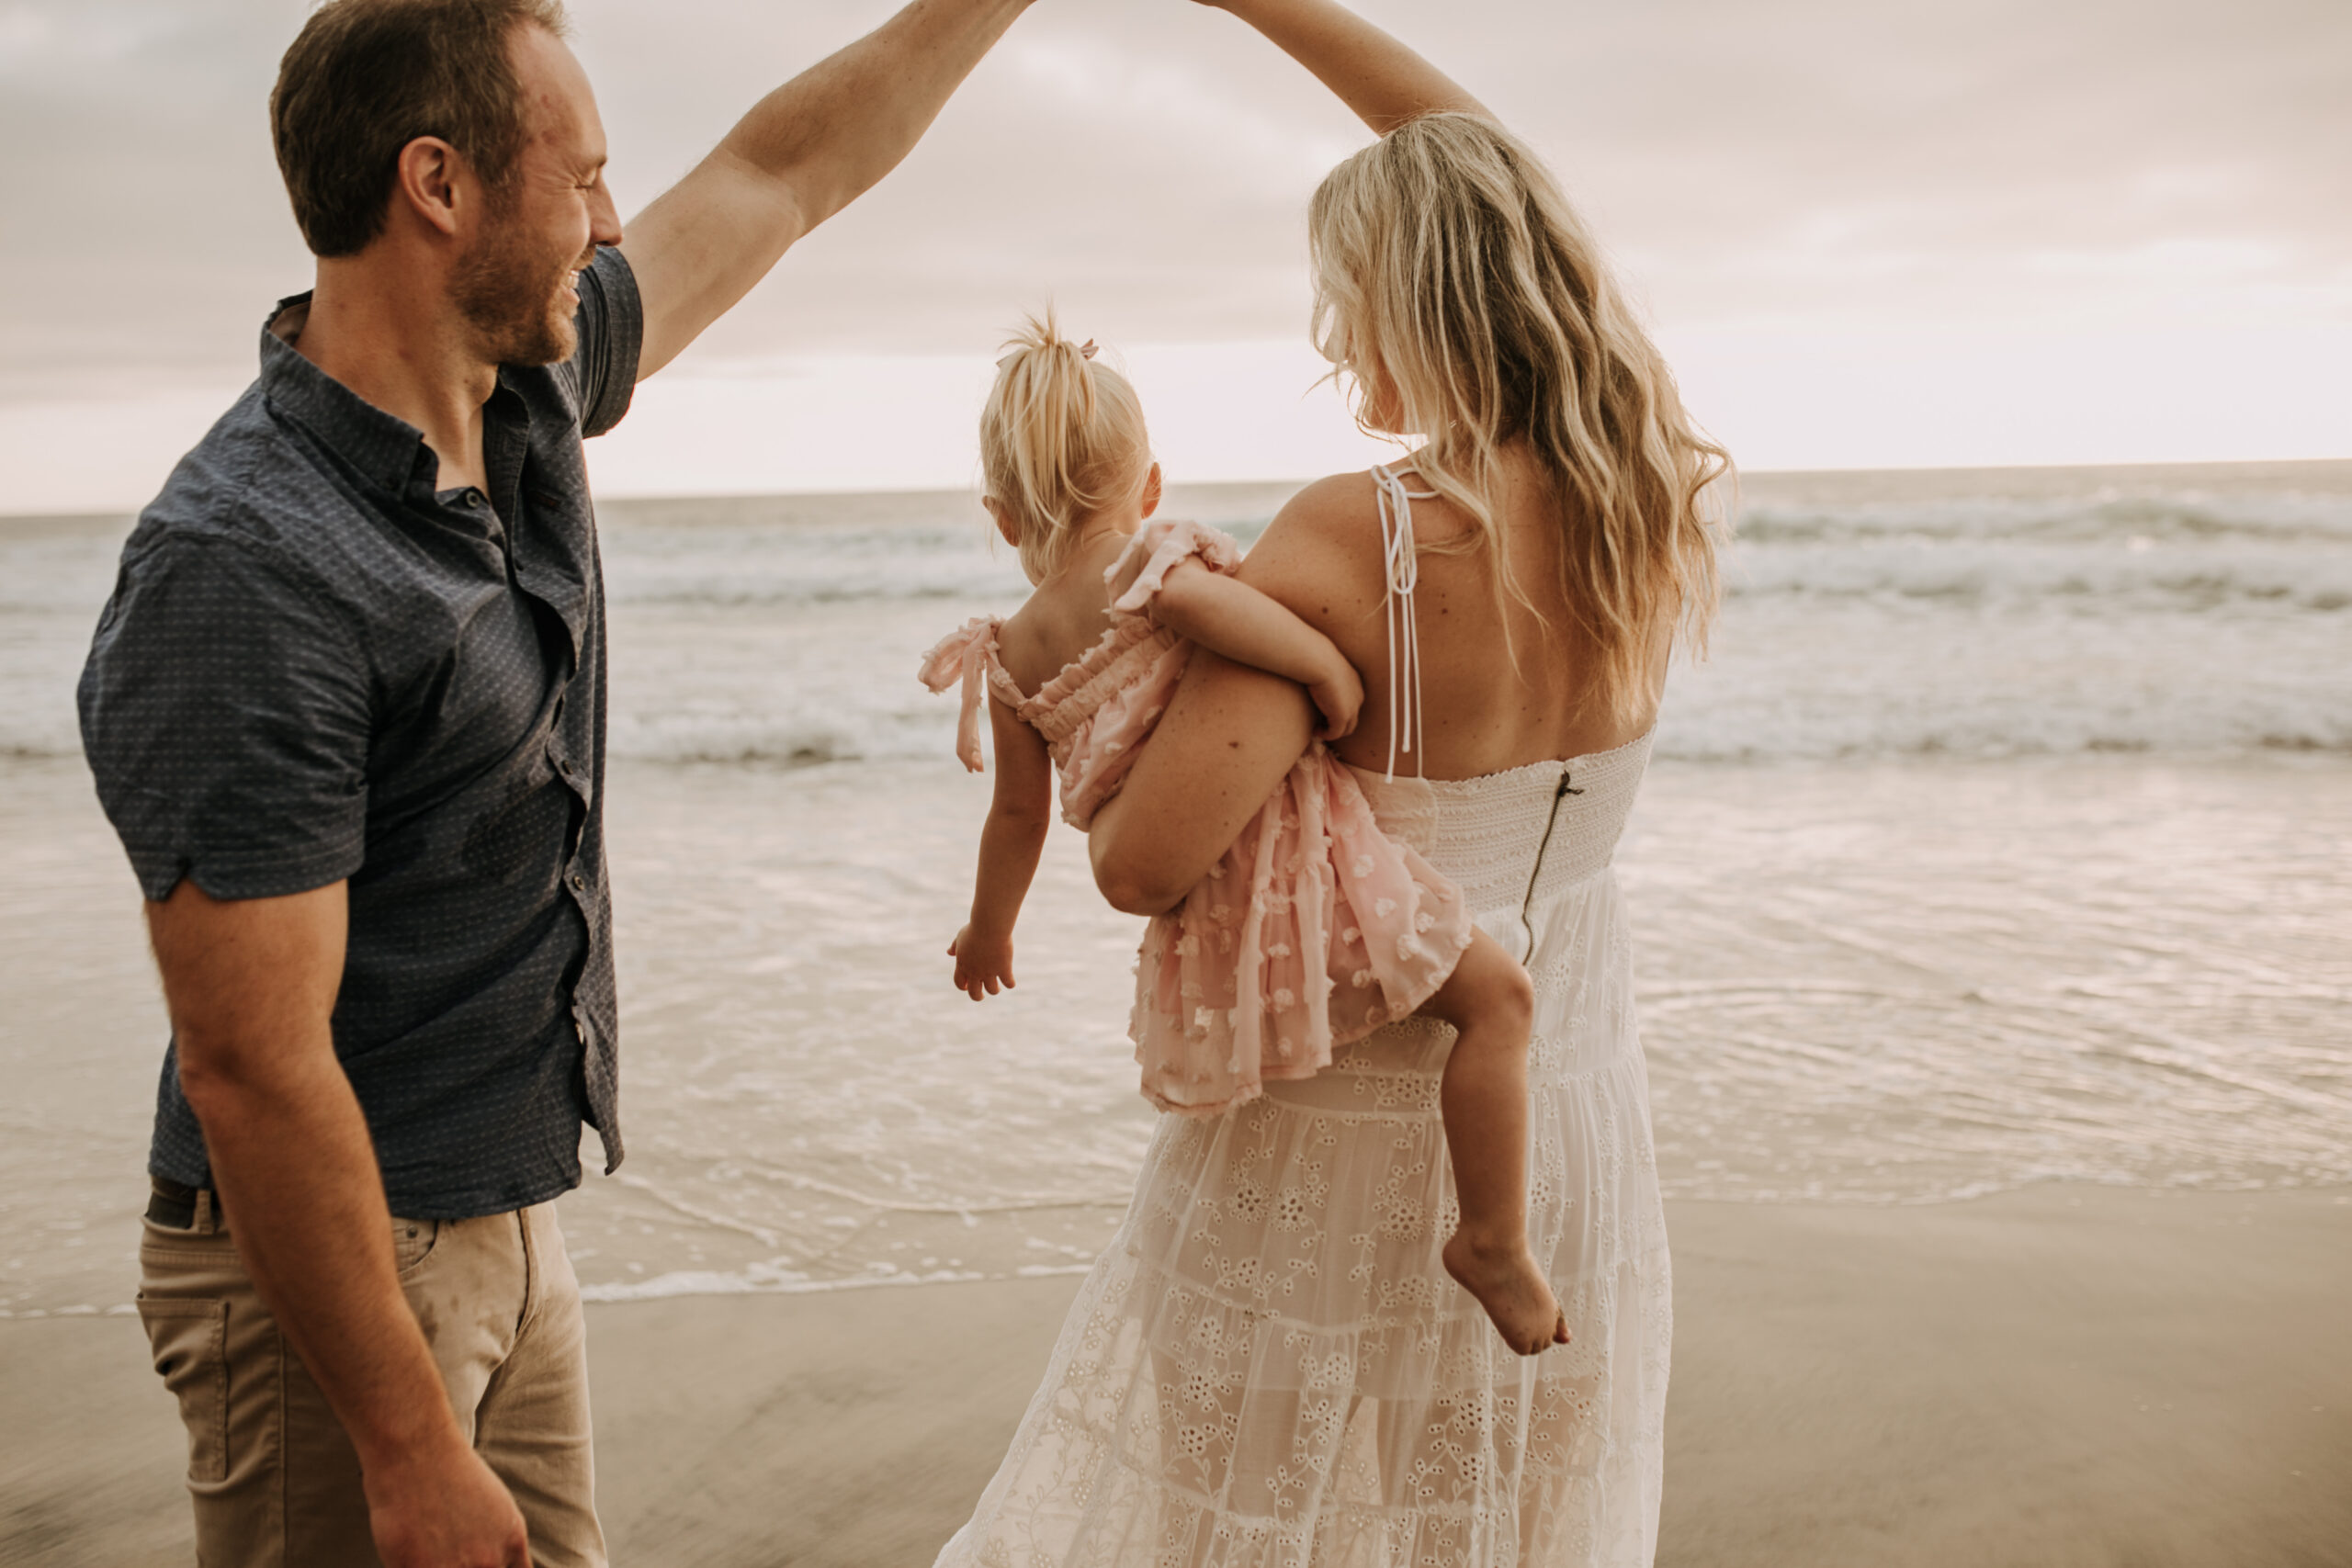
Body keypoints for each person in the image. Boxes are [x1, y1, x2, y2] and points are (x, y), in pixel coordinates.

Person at [75, 1, 1035, 1563]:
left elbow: (785, 171)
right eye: (581, 177)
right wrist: (399, 1441)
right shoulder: (244, 569)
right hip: (326, 1279)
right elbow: (249, 1061)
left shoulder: (520, 391)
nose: (608, 222)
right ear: (437, 186)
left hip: (500, 1225)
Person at [932, 1, 1729, 1562]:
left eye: (1342, 297)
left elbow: (1150, 863)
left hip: (1330, 1114)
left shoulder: (1353, 535)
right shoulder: (1644, 490)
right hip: (1557, 1095)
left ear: (1413, 298)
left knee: (1227, 1513)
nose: (1327, 339)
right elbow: (1512, 188)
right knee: (1477, 1523)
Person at [919, 316, 1568, 1357]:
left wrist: (988, 930)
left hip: (1200, 908)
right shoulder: (1160, 564)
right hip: (1296, 852)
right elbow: (1242, 628)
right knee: (1498, 1002)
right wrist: (1326, 672)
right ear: (1149, 484)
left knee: (1275, 1139)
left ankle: (1286, 1299)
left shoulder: (1009, 654)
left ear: (1001, 519)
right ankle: (1491, 1239)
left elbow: (1017, 814)